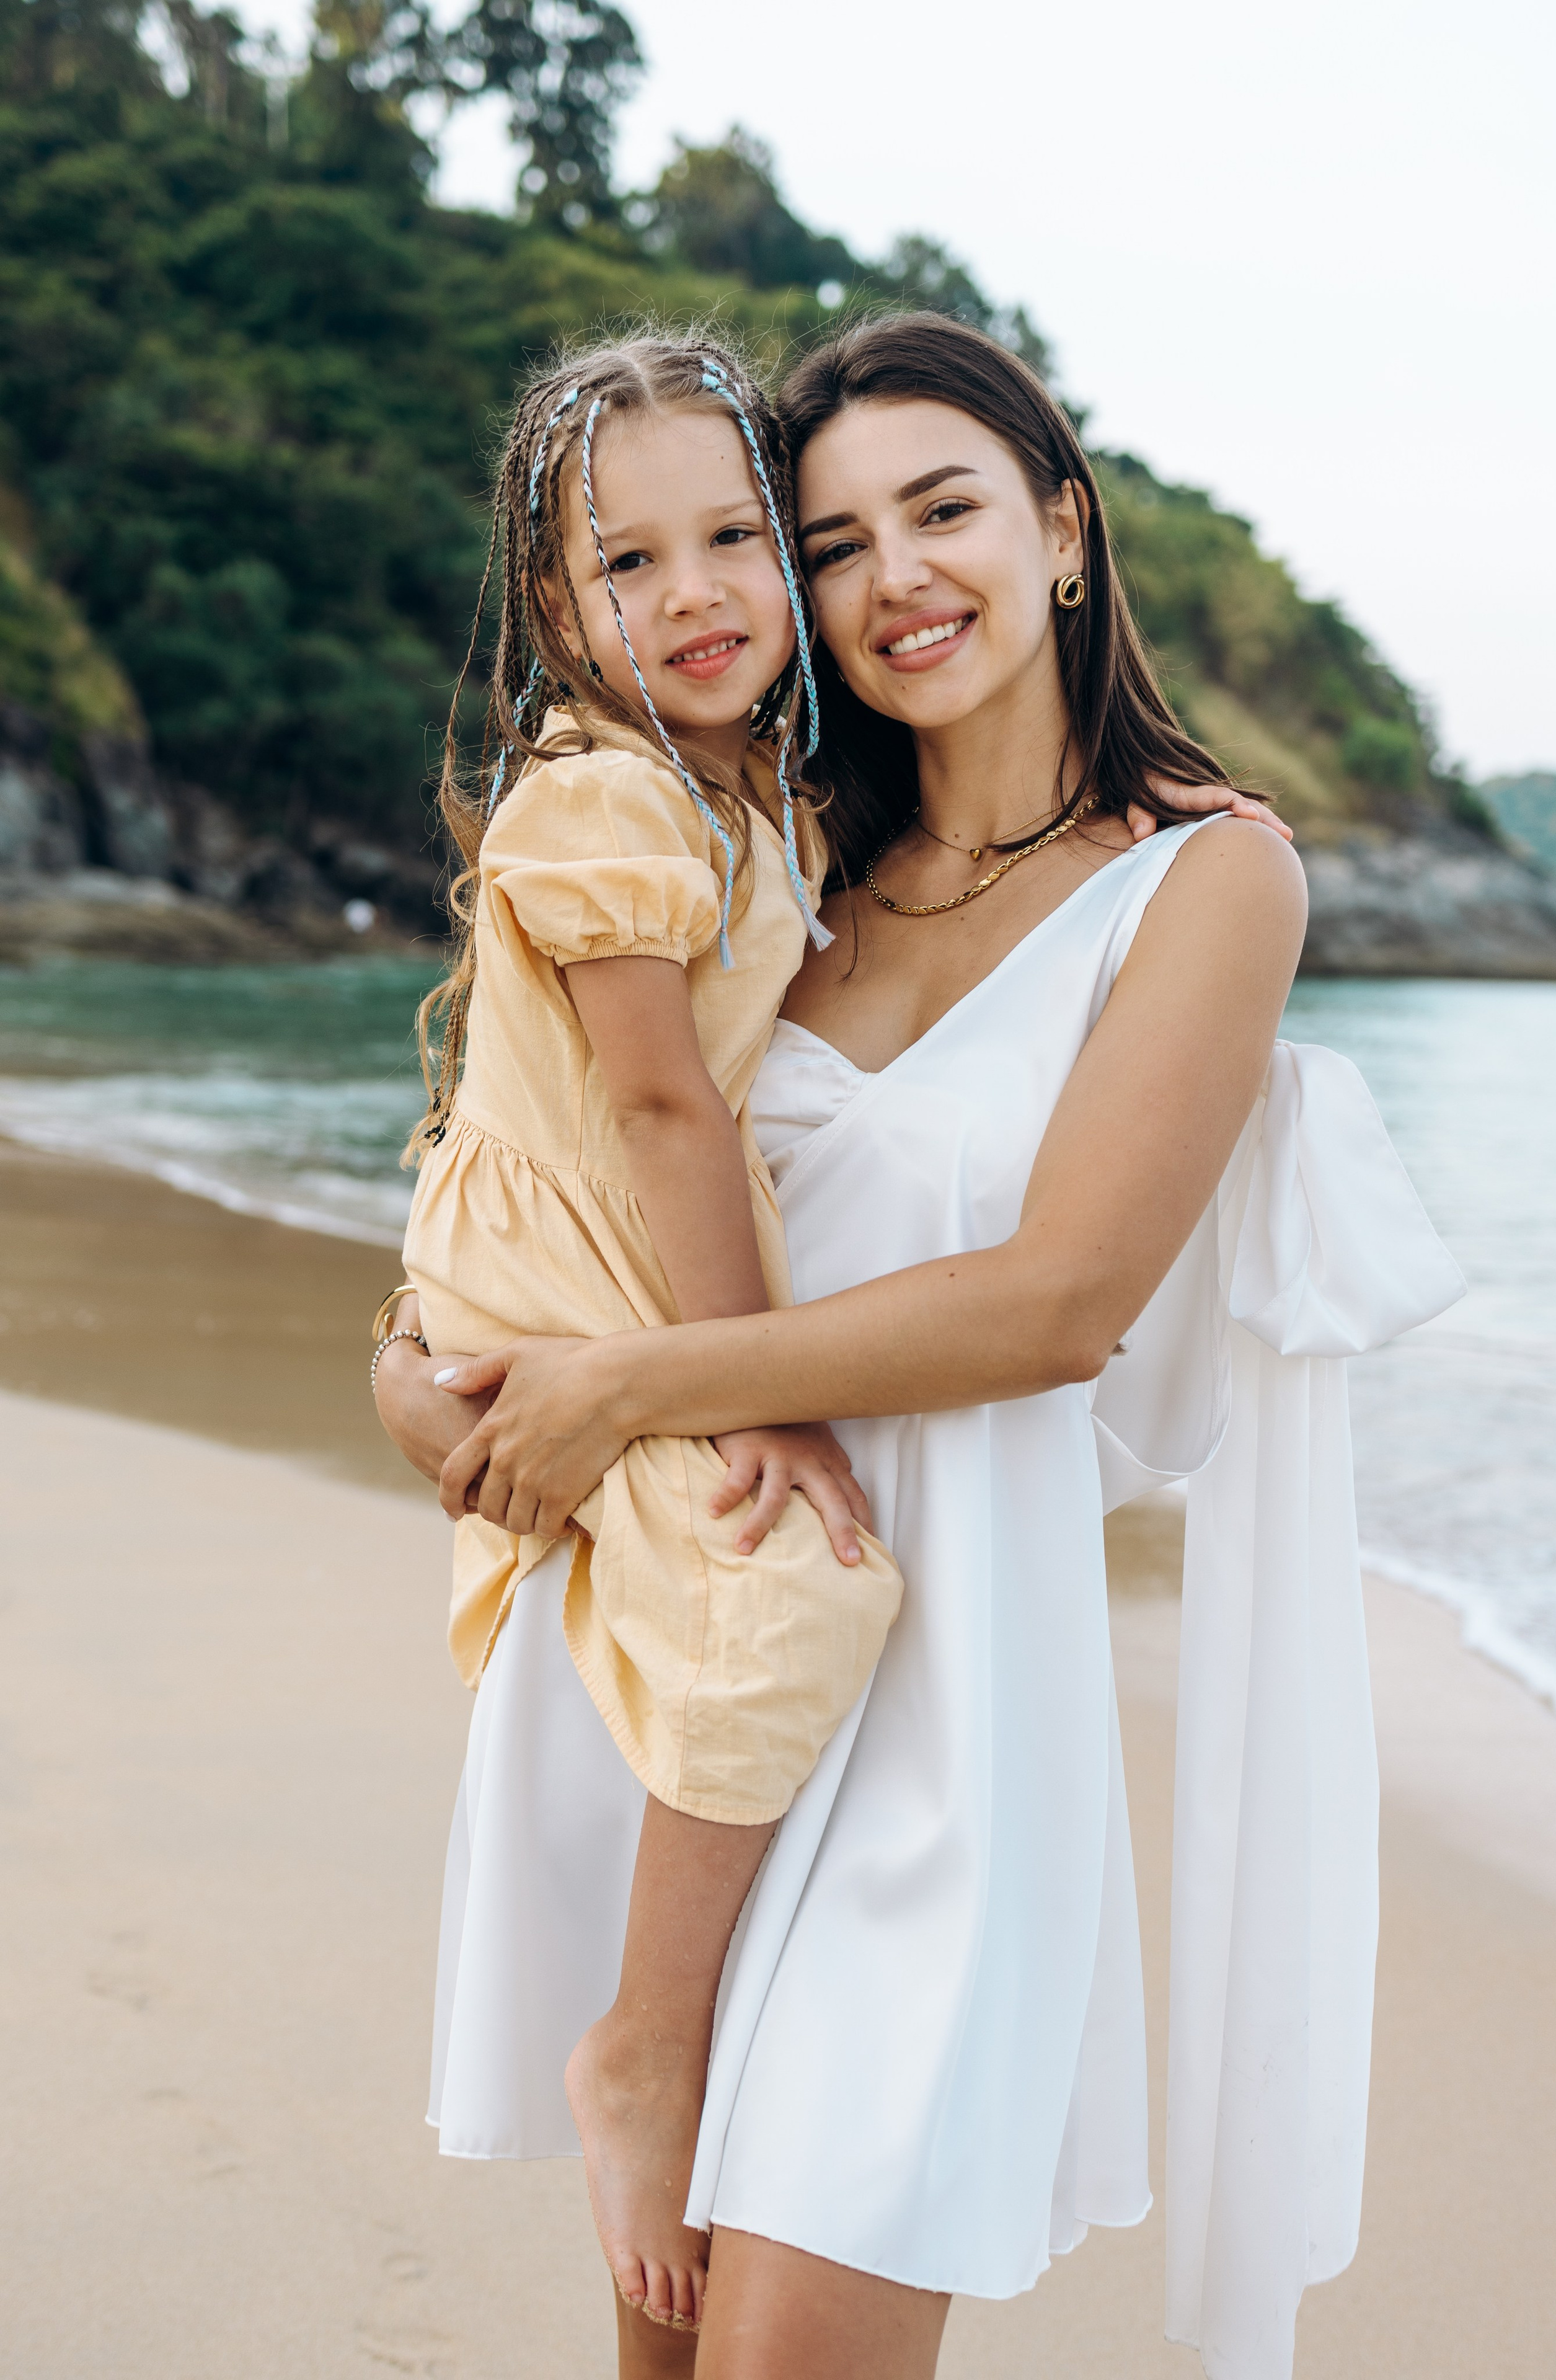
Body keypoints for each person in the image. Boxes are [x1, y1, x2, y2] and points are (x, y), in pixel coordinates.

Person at [378, 314, 1461, 2380]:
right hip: (709, 1675)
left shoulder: (1205, 882)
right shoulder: (775, 866)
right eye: (836, 536)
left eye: (944, 509)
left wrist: (633, 1391)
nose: (897, 577)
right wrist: (428, 1382)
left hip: (960, 1725)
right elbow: (525, 1172)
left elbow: (1063, 1301)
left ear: (1063, 531)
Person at [389, 329, 906, 2332]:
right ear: (555, 609)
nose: (692, 595)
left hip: (605, 1261)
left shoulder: (739, 801)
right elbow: (670, 1111)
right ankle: (645, 2042)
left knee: (766, 1595)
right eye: (628, 565)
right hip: (569, 1265)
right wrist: (760, 1391)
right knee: (800, 1595)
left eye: (733, 541)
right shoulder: (605, 804)